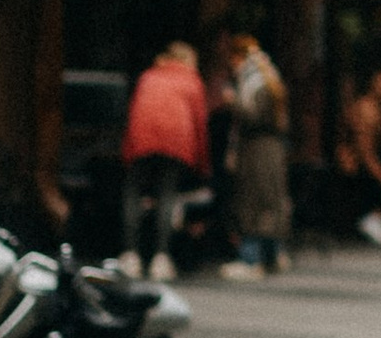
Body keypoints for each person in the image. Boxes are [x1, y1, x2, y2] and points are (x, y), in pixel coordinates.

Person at [118, 39, 208, 277]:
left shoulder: (148, 77)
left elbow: (134, 114)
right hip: (176, 142)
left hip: (142, 140)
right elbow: (200, 124)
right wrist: (203, 164)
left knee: (133, 194)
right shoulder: (192, 81)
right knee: (167, 195)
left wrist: (127, 151)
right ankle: (161, 256)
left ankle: (131, 255)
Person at [224, 35, 291, 276]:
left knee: (253, 200)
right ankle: (273, 254)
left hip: (257, 149)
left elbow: (253, 116)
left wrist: (233, 102)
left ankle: (251, 259)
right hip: (271, 148)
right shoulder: (269, 76)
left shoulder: (255, 81)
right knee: (271, 199)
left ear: (238, 57)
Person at [333, 66, 381, 247]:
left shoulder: (380, 110)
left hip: (367, 161)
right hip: (356, 164)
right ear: (372, 85)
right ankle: (373, 217)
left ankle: (379, 216)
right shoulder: (367, 110)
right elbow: (365, 153)